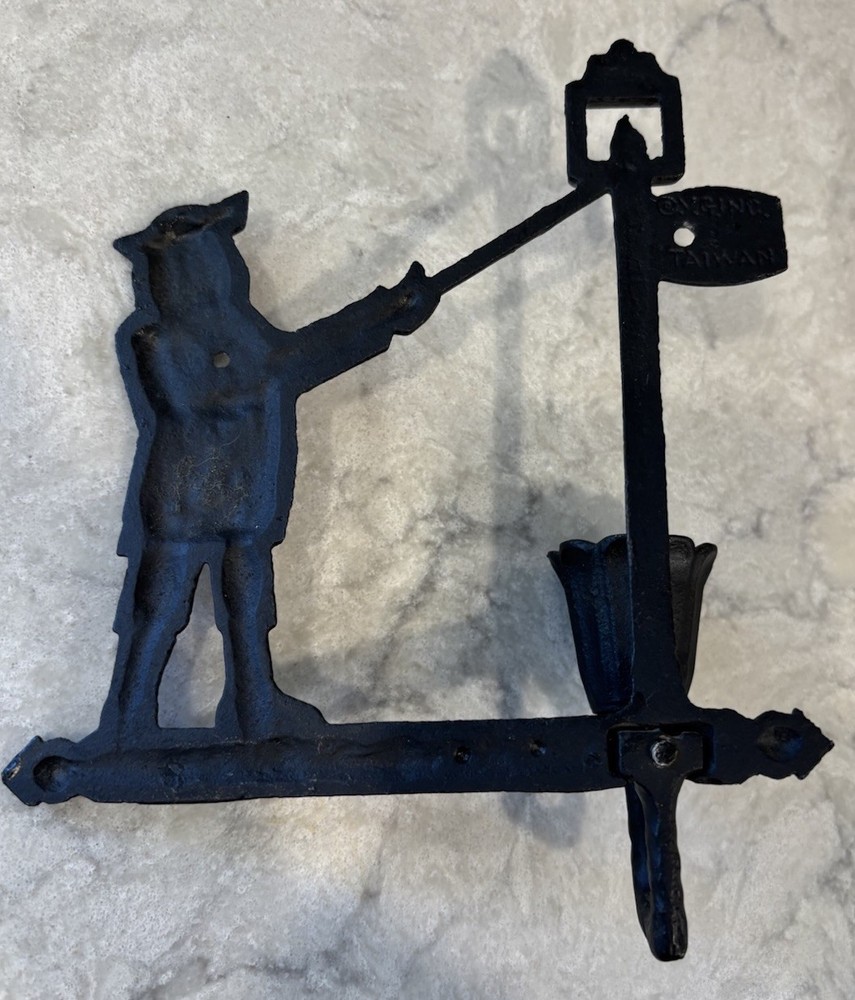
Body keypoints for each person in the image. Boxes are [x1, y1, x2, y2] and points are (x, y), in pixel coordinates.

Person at [99, 190, 439, 745]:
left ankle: (255, 705)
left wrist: (384, 317)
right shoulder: (155, 340)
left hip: (242, 487)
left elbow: (294, 361)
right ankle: (129, 718)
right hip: (185, 496)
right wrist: (378, 314)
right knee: (158, 606)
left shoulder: (240, 332)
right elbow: (249, 381)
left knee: (249, 602)